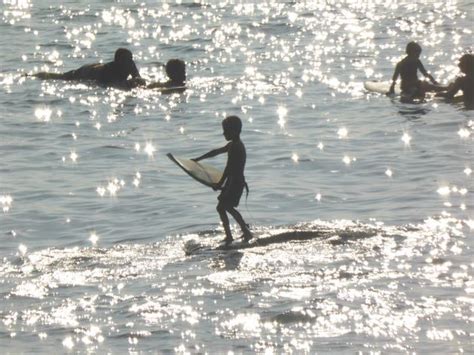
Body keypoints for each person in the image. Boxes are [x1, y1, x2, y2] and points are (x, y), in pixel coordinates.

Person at [193, 116, 252, 245]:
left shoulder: (236, 147)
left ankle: (243, 232)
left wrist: (220, 183)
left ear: (235, 131)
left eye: (226, 131)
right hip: (233, 181)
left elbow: (229, 168)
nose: (223, 133)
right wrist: (198, 159)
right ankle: (234, 234)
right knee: (223, 207)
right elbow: (216, 152)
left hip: (236, 183)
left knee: (225, 207)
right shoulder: (232, 144)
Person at [32, 48, 145, 89]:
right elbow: (113, 84)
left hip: (97, 68)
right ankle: (36, 75)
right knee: (62, 77)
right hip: (89, 71)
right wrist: (129, 83)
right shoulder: (110, 71)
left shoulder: (130, 64)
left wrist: (138, 81)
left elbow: (139, 79)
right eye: (127, 59)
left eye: (130, 59)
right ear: (118, 61)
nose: (130, 62)